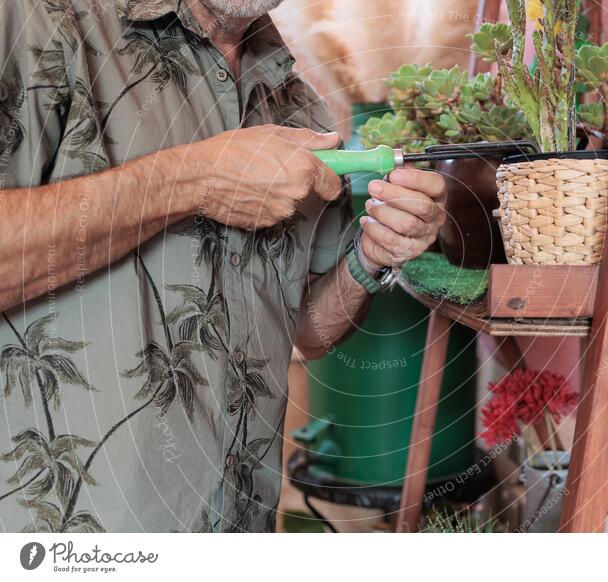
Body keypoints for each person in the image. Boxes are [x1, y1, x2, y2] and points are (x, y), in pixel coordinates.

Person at [0, 0, 446, 532]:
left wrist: (371, 257)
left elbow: (306, 330)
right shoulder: (44, 20)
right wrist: (195, 179)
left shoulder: (298, 106)